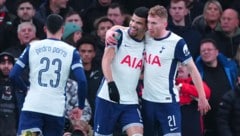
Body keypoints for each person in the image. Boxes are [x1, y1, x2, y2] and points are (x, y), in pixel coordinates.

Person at [9, 14, 87, 136]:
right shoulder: (71, 51)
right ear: (62, 29)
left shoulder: (32, 47)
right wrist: (80, 106)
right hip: (55, 109)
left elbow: (13, 75)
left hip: (33, 106)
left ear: (45, 29)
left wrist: (25, 90)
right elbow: (82, 81)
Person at [141, 5, 210, 136]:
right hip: (148, 101)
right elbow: (128, 30)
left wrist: (201, 96)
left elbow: (193, 69)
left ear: (164, 24)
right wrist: (112, 31)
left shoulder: (176, 42)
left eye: (154, 23)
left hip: (167, 102)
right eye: (149, 22)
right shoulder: (146, 37)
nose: (150, 26)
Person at [94, 7, 149, 136]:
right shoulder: (118, 35)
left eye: (139, 23)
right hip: (107, 98)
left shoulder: (148, 41)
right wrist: (111, 84)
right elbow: (106, 60)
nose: (133, 25)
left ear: (147, 27)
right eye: (133, 21)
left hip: (130, 101)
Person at [195, 38, 238, 136]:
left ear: (217, 52)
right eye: (203, 50)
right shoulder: (197, 72)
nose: (206, 52)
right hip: (208, 124)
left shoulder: (230, 69)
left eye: (209, 49)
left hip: (229, 122)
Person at [176, 63, 211, 136]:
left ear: (190, 70)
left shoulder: (194, 82)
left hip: (194, 129)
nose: (180, 67)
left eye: (184, 65)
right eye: (177, 65)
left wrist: (182, 87)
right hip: (175, 128)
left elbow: (206, 92)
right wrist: (191, 97)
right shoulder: (170, 83)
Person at [76, 35, 104, 127]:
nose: (86, 54)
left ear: (94, 53)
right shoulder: (71, 73)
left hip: (98, 116)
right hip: (77, 118)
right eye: (83, 51)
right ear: (77, 53)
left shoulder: (102, 71)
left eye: (89, 51)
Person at [0, 52, 21, 136]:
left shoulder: (20, 85)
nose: (6, 66)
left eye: (9, 63)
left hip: (14, 130)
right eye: (2, 63)